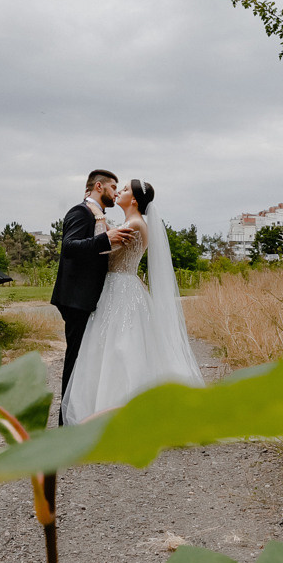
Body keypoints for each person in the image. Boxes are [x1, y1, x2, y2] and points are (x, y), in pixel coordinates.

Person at [59, 177, 205, 425]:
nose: (119, 192)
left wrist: (100, 222)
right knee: (114, 348)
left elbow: (104, 252)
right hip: (120, 287)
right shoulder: (130, 223)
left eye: (124, 189)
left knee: (121, 348)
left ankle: (118, 414)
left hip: (120, 288)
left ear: (134, 200)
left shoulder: (135, 225)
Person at [51, 169, 134, 423]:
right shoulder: (81, 212)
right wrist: (106, 239)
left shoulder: (98, 216)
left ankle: (79, 416)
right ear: (99, 186)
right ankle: (66, 422)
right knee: (75, 360)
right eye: (113, 187)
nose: (116, 193)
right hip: (75, 299)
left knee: (84, 359)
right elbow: (69, 247)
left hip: (86, 298)